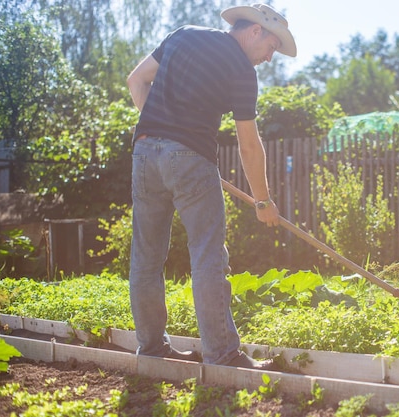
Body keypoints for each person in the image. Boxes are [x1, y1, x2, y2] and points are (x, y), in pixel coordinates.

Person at [126, 3, 296, 370]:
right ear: (254, 32)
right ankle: (223, 355)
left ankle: (152, 350)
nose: (269, 58)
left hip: (144, 153)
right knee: (207, 257)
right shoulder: (240, 70)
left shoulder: (182, 34)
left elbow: (136, 80)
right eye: (271, 48)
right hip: (190, 158)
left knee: (146, 257)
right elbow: (249, 143)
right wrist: (263, 201)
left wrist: (162, 138)